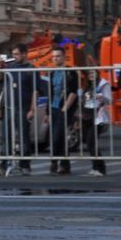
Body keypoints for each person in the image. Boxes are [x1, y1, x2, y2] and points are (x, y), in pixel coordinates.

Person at [0, 43, 39, 175]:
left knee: (23, 138)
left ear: (24, 54)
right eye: (13, 54)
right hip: (9, 107)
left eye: (16, 54)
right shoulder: (10, 67)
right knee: (6, 137)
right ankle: (4, 164)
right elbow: (2, 85)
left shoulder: (31, 68)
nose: (14, 57)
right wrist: (1, 108)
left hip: (23, 107)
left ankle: (25, 165)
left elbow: (35, 90)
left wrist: (32, 109)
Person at [44, 47, 78, 175]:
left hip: (64, 108)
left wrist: (66, 107)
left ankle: (62, 164)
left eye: (58, 56)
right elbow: (50, 92)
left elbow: (74, 91)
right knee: (54, 136)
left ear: (64, 57)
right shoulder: (52, 72)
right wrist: (47, 112)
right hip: (53, 107)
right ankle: (55, 161)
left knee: (61, 136)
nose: (55, 59)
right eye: (53, 56)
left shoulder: (70, 72)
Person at [78, 68, 111, 177]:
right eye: (89, 73)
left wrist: (101, 97)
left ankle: (101, 168)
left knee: (91, 141)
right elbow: (84, 102)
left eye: (93, 72)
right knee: (89, 143)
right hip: (87, 117)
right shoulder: (87, 86)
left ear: (97, 73)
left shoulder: (103, 84)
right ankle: (95, 167)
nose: (91, 75)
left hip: (99, 118)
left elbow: (109, 100)